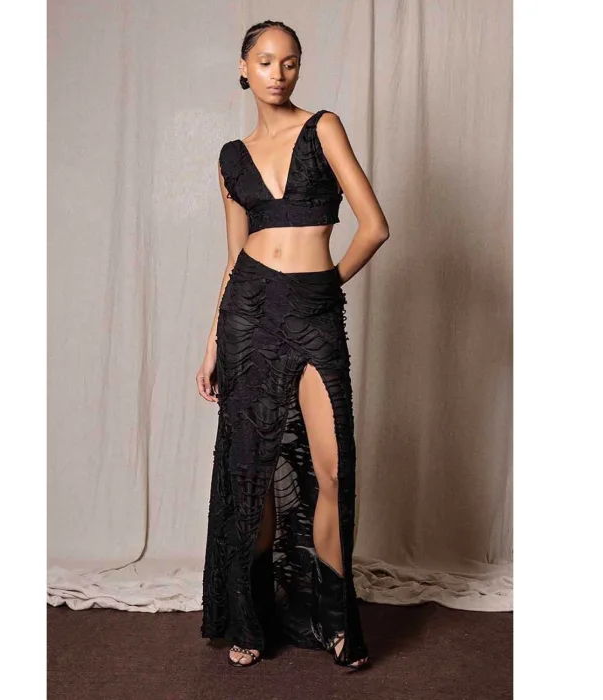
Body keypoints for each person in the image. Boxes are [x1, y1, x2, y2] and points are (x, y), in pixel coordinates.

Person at [198, 20, 389, 670]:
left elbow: (374, 226)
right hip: (249, 317)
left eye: (290, 62)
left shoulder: (323, 128)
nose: (278, 73)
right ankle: (251, 624)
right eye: (265, 61)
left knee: (332, 469)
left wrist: (323, 286)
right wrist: (212, 344)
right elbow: (233, 260)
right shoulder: (231, 157)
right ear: (244, 68)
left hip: (312, 314)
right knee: (252, 472)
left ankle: (335, 620)